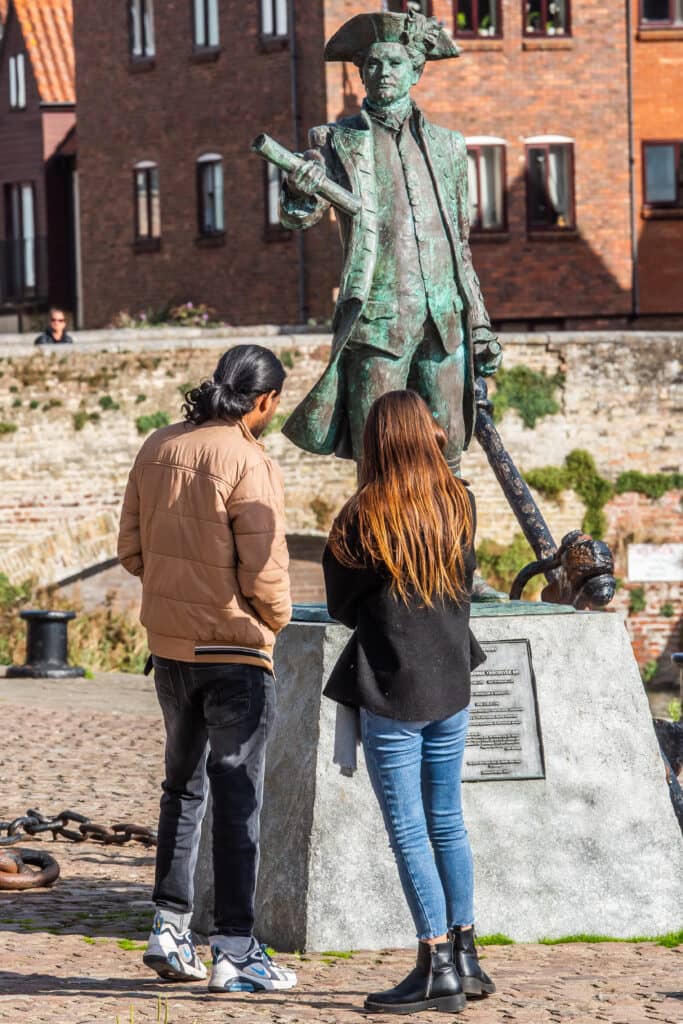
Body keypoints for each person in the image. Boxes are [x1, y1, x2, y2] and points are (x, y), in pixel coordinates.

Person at [117, 344, 297, 994]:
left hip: (170, 650)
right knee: (237, 797)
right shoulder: (250, 462)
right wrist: (274, 621)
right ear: (264, 400)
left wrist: (173, 591)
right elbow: (266, 571)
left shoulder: (158, 445)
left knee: (182, 790)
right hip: (235, 653)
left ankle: (168, 928)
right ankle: (235, 947)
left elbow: (130, 550)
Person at [322, 390, 495, 1015]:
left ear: (375, 441)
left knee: (409, 831)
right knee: (447, 819)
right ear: (426, 433)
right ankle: (468, 953)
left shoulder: (362, 516)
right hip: (451, 682)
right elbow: (465, 582)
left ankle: (435, 965)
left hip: (394, 687)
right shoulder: (460, 501)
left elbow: (341, 606)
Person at [279, 10, 501, 476]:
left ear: (416, 72)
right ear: (360, 72)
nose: (384, 74)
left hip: (444, 320)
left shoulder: (449, 146)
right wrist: (301, 186)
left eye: (395, 64)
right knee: (375, 452)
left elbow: (460, 246)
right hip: (378, 322)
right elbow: (302, 214)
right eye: (374, 65)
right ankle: (376, 545)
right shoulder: (337, 140)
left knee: (450, 448)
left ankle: (453, 546)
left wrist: (478, 322)